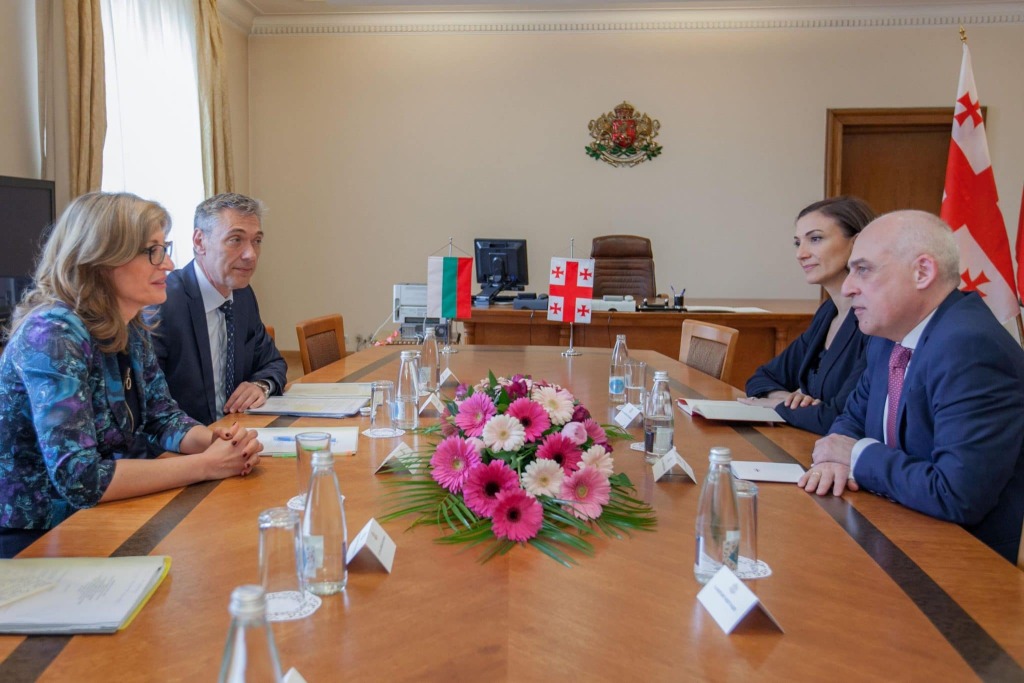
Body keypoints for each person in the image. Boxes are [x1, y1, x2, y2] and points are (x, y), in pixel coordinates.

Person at [0, 193, 262, 559]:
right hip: (38, 539)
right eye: (153, 251)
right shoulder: (52, 335)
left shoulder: (130, 324)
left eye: (165, 249)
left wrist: (220, 442)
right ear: (101, 259)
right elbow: (80, 478)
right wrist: (205, 464)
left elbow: (162, 418)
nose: (169, 263)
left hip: (100, 519)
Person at [801, 210, 1024, 563]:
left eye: (863, 270)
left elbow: (955, 494)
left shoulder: (970, 348)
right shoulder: (889, 335)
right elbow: (852, 418)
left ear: (922, 272)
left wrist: (855, 456)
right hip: (894, 531)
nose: (847, 287)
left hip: (961, 564)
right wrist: (835, 456)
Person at [742, 196, 875, 434]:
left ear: (857, 244)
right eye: (798, 243)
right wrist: (788, 400)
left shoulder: (876, 319)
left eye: (815, 239)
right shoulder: (828, 312)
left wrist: (780, 406)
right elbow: (762, 378)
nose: (801, 254)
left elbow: (839, 417)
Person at [151, 193, 286, 424]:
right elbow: (151, 408)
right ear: (199, 242)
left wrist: (260, 385)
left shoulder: (242, 295)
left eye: (257, 241)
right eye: (235, 240)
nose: (251, 255)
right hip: (189, 440)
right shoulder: (163, 302)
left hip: (239, 431)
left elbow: (273, 362)